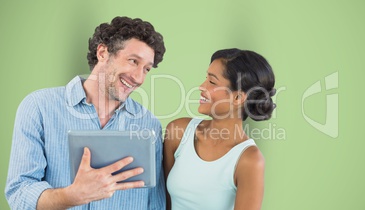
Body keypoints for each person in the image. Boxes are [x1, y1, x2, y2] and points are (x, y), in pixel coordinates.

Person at [5, 16, 166, 209]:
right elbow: (19, 192)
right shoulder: (39, 107)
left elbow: (155, 203)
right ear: (103, 52)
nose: (139, 77)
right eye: (133, 61)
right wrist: (71, 196)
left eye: (146, 69)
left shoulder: (149, 125)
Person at [164, 48, 276, 210]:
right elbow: (161, 202)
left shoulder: (249, 160)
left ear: (237, 97)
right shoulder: (178, 131)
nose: (201, 87)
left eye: (212, 82)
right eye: (206, 79)